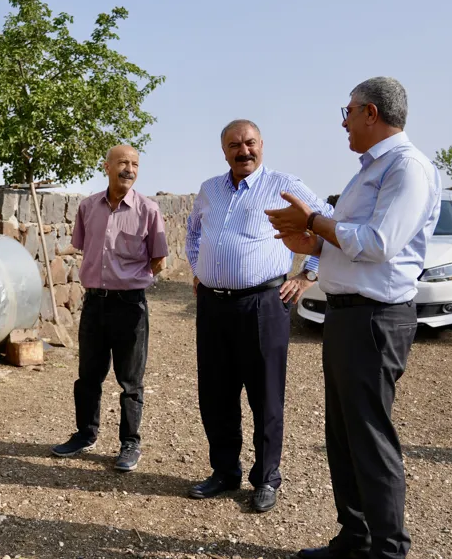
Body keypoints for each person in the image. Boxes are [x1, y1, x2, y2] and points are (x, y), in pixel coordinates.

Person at [266, 77, 440, 559]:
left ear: (370, 113)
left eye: (347, 112)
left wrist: (313, 221)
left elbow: (378, 244)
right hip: (348, 317)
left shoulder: (407, 168)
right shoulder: (370, 170)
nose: (343, 123)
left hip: (375, 319)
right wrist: (312, 242)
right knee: (343, 435)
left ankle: (388, 550)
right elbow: (350, 241)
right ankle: (355, 539)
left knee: (368, 436)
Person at [184, 119, 332, 514]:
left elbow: (328, 220)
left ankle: (266, 478)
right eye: (234, 145)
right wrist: (198, 269)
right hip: (213, 306)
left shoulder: (284, 186)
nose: (243, 151)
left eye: (249, 143)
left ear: (262, 145)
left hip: (263, 304)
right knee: (215, 392)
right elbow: (193, 232)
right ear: (224, 151)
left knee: (265, 395)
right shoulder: (210, 189)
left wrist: (308, 274)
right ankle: (224, 471)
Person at [50, 145, 168, 472]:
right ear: (107, 167)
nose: (129, 169)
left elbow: (158, 260)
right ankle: (84, 434)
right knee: (88, 376)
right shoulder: (88, 207)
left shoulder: (148, 210)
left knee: (130, 380)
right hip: (94, 304)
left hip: (130, 306)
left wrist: (130, 280)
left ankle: (130, 443)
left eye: (135, 164)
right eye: (123, 163)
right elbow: (82, 246)